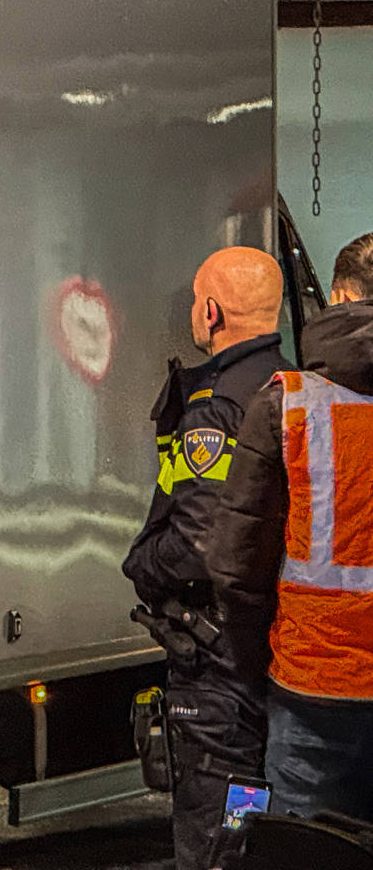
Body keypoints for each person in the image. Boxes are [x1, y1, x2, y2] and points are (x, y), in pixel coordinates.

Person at [122, 246, 289, 870]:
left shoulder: (217, 404)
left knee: (214, 834)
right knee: (251, 821)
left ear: (212, 311)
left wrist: (143, 565)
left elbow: (199, 540)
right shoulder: (292, 385)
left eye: (197, 300)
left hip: (217, 663)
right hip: (271, 648)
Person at [211, 233, 373, 825]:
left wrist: (258, 663)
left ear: (339, 297)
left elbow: (237, 565)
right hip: (312, 683)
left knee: (302, 847)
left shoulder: (289, 405)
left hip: (311, 686)